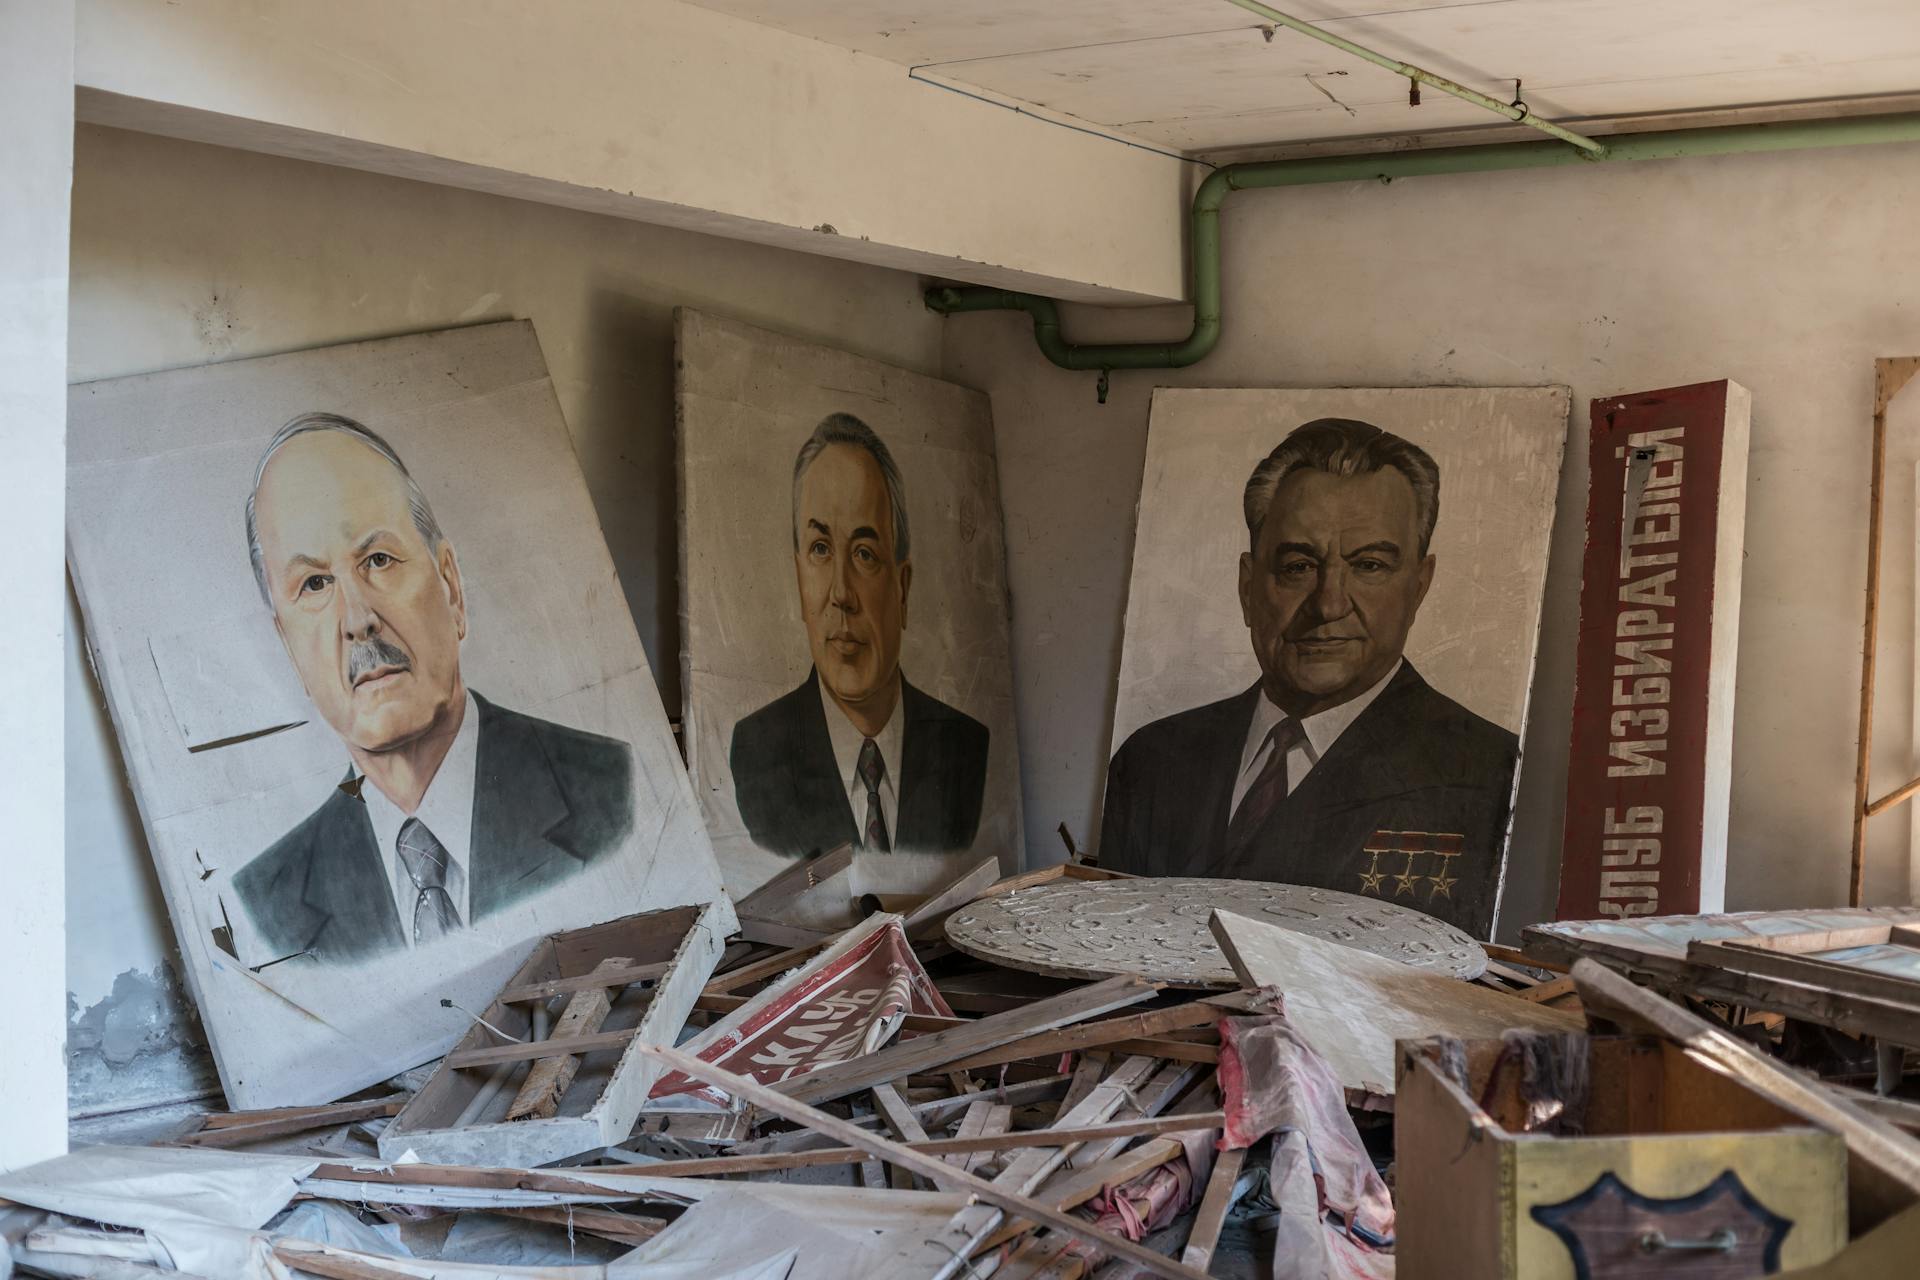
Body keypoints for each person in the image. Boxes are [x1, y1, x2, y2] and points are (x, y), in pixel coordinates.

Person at [231, 413, 634, 964]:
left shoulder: (616, 791)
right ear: (289, 650)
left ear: (451, 586)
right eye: (315, 584)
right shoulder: (263, 908)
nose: (357, 619)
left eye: (378, 560)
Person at [1099, 418, 1517, 937]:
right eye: (1298, 566)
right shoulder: (1152, 761)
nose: (1329, 603)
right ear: (1248, 588)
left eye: (1369, 565)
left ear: (1419, 587)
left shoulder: (1492, 774)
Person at [730, 413, 988, 859]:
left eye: (865, 554)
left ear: (902, 587)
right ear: (798, 577)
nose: (841, 593)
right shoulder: (757, 752)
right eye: (821, 549)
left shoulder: (967, 749)